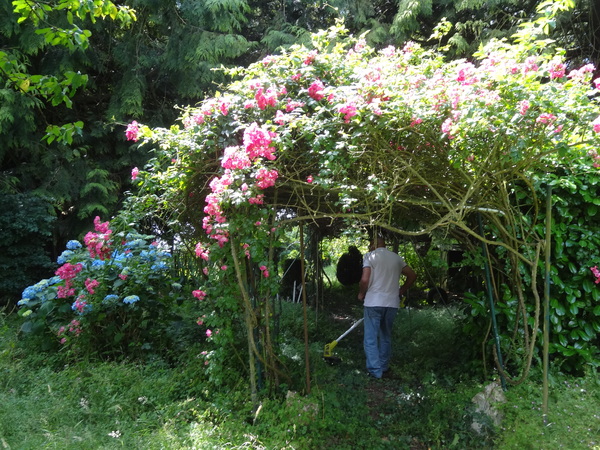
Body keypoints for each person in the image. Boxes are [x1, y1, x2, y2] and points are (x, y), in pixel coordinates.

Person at [357, 234, 417, 379]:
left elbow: (365, 279)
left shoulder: (370, 256)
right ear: (385, 245)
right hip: (391, 303)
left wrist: (361, 293)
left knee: (371, 338)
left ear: (373, 244)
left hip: (373, 302)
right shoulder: (396, 258)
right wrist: (402, 290)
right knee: (385, 336)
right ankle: (384, 367)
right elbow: (412, 275)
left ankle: (374, 371)